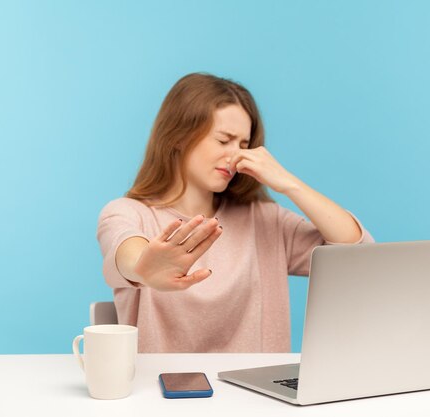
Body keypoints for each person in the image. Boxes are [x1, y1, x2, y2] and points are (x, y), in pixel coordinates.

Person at [97, 72, 374, 353]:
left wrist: (289, 183)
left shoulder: (265, 219)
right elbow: (126, 252)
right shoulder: (127, 212)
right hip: (161, 392)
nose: (235, 157)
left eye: (244, 145)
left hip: (256, 394)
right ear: (179, 137)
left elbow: (358, 252)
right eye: (223, 140)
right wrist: (146, 267)